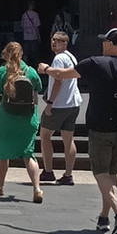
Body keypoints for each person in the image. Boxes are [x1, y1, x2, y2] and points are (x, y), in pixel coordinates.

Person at [40, 28, 117, 234]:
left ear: (111, 44)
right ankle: (104, 217)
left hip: (100, 127)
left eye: (105, 41)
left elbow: (62, 75)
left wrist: (46, 69)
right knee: (111, 175)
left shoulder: (94, 63)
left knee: (100, 173)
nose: (102, 44)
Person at [0, 41, 43, 203]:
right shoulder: (31, 72)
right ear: (21, 55)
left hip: (7, 117)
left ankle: (0, 186)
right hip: (28, 118)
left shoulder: (0, 72)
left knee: (3, 152)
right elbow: (36, 99)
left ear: (6, 54)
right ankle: (37, 189)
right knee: (28, 154)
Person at [38, 30, 80, 185]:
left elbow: (57, 80)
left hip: (59, 104)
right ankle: (68, 174)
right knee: (68, 138)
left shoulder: (58, 59)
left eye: (58, 40)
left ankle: (48, 171)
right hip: (73, 103)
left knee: (45, 135)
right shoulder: (71, 57)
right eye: (53, 39)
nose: (54, 42)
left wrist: (49, 103)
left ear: (65, 43)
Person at [20, 0, 41, 65]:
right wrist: (39, 36)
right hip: (34, 37)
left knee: (25, 53)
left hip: (26, 37)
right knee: (35, 54)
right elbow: (36, 27)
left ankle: (25, 65)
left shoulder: (24, 15)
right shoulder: (35, 14)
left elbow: (22, 26)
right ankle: (35, 66)